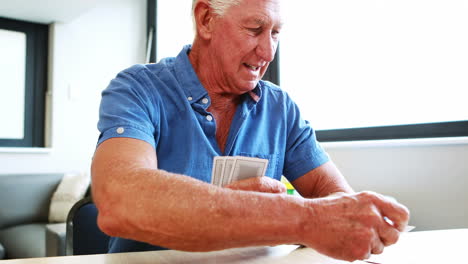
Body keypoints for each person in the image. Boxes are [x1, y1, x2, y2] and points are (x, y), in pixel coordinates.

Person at [91, 0, 410, 261]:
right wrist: (293, 217)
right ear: (206, 20)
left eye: (275, 33)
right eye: (255, 29)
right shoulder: (136, 90)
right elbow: (119, 199)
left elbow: (337, 200)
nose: (268, 52)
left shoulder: (280, 108)